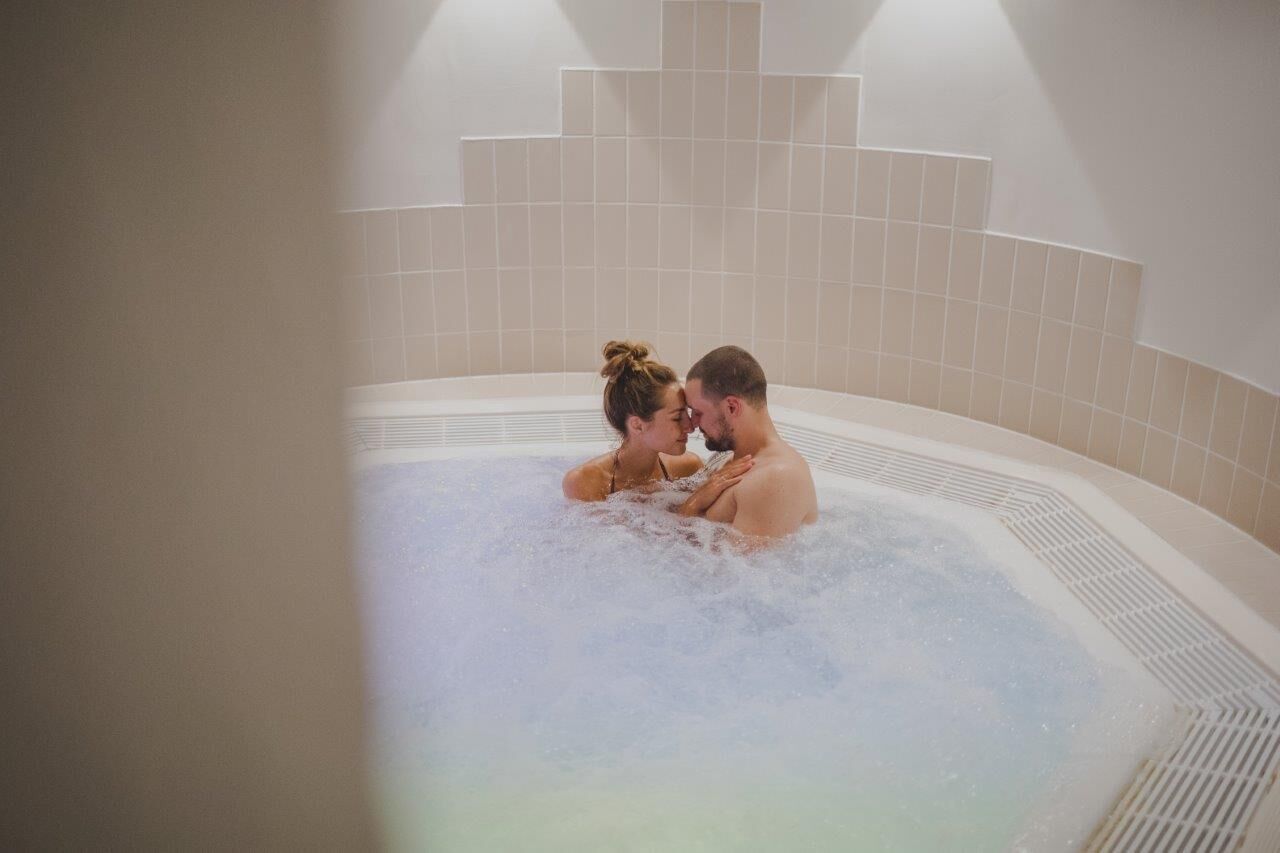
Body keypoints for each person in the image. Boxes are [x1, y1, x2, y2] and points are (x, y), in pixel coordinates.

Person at [563, 341, 754, 503]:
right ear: (638, 425)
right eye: (677, 416)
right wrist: (694, 504)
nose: (690, 425)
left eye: (687, 413)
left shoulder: (688, 468)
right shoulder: (584, 482)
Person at [679, 345, 818, 539]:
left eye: (698, 412)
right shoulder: (727, 459)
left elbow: (731, 568)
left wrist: (690, 507)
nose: (693, 422)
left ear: (732, 407)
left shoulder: (775, 478)